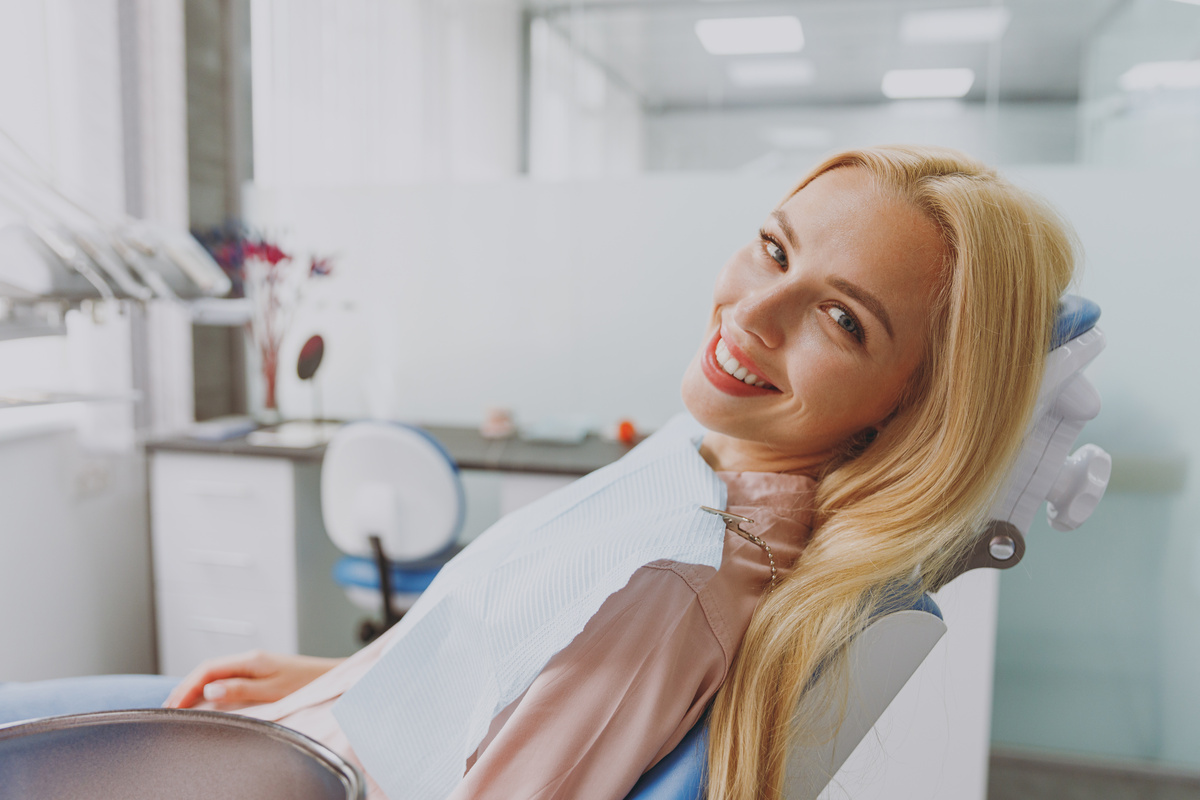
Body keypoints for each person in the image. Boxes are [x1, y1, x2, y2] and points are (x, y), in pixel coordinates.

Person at [0, 145, 1075, 800]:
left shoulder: (681, 574)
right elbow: (496, 650)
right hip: (323, 727)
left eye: (841, 319)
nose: (752, 311)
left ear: (909, 402)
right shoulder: (698, 464)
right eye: (774, 247)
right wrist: (343, 678)